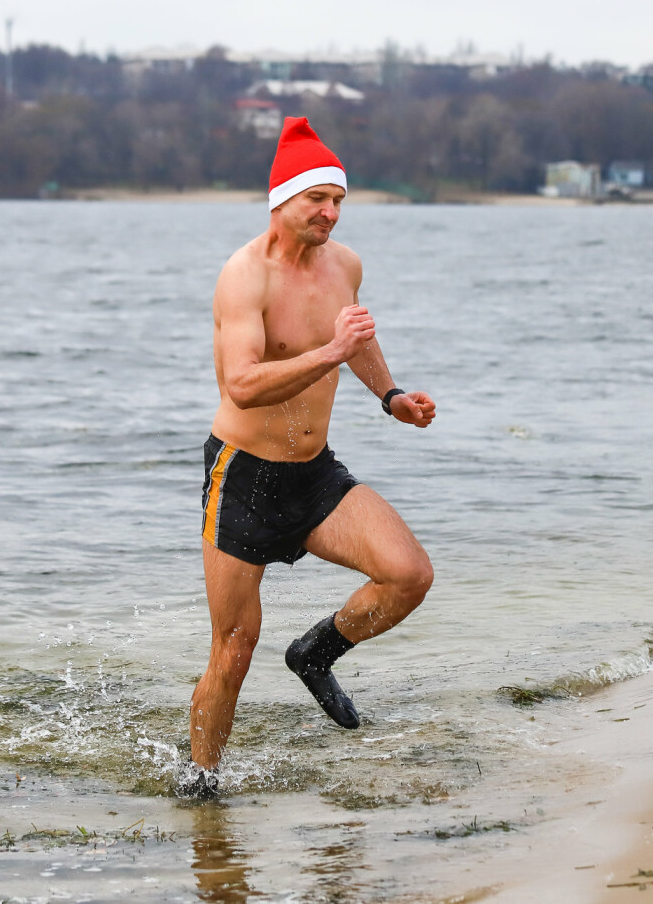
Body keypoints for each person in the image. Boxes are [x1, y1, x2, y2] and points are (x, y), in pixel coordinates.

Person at [182, 117, 436, 798]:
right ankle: (200, 786)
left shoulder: (344, 265)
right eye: (317, 199)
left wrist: (390, 395)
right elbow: (240, 382)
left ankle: (317, 652)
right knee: (233, 648)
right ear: (282, 199)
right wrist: (328, 352)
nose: (330, 212)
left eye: (339, 201)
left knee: (407, 574)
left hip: (314, 473)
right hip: (244, 476)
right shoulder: (244, 277)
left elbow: (353, 336)